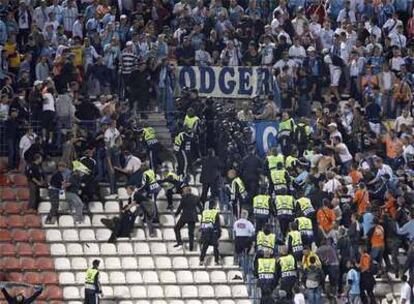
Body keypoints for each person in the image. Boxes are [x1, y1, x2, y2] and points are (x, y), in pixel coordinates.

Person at [174, 186, 202, 251]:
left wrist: (176, 214)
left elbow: (180, 207)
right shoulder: (196, 198)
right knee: (191, 233)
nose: (183, 192)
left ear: (187, 191)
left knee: (176, 228)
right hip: (193, 216)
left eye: (184, 191)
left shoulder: (184, 198)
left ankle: (179, 242)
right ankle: (191, 248)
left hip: (185, 216)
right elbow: (200, 208)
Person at [199, 199, 221, 266]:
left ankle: (201, 260)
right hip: (213, 231)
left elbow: (202, 222)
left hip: (205, 231)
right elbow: (217, 224)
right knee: (215, 247)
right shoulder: (215, 212)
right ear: (214, 205)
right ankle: (216, 261)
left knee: (204, 247)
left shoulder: (204, 212)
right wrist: (218, 233)